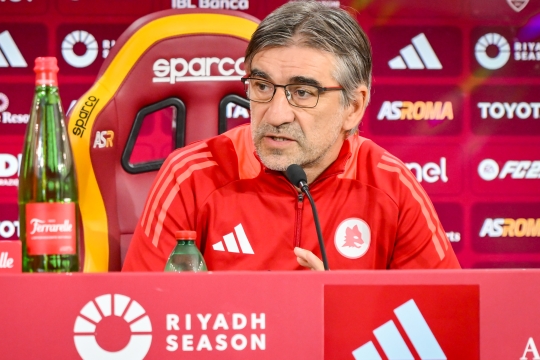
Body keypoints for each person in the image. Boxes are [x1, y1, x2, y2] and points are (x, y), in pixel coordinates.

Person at [122, 0, 460, 271]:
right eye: (262, 86)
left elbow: (444, 330)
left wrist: (341, 313)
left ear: (353, 107)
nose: (276, 114)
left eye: (302, 92)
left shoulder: (392, 187)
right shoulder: (190, 177)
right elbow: (143, 325)